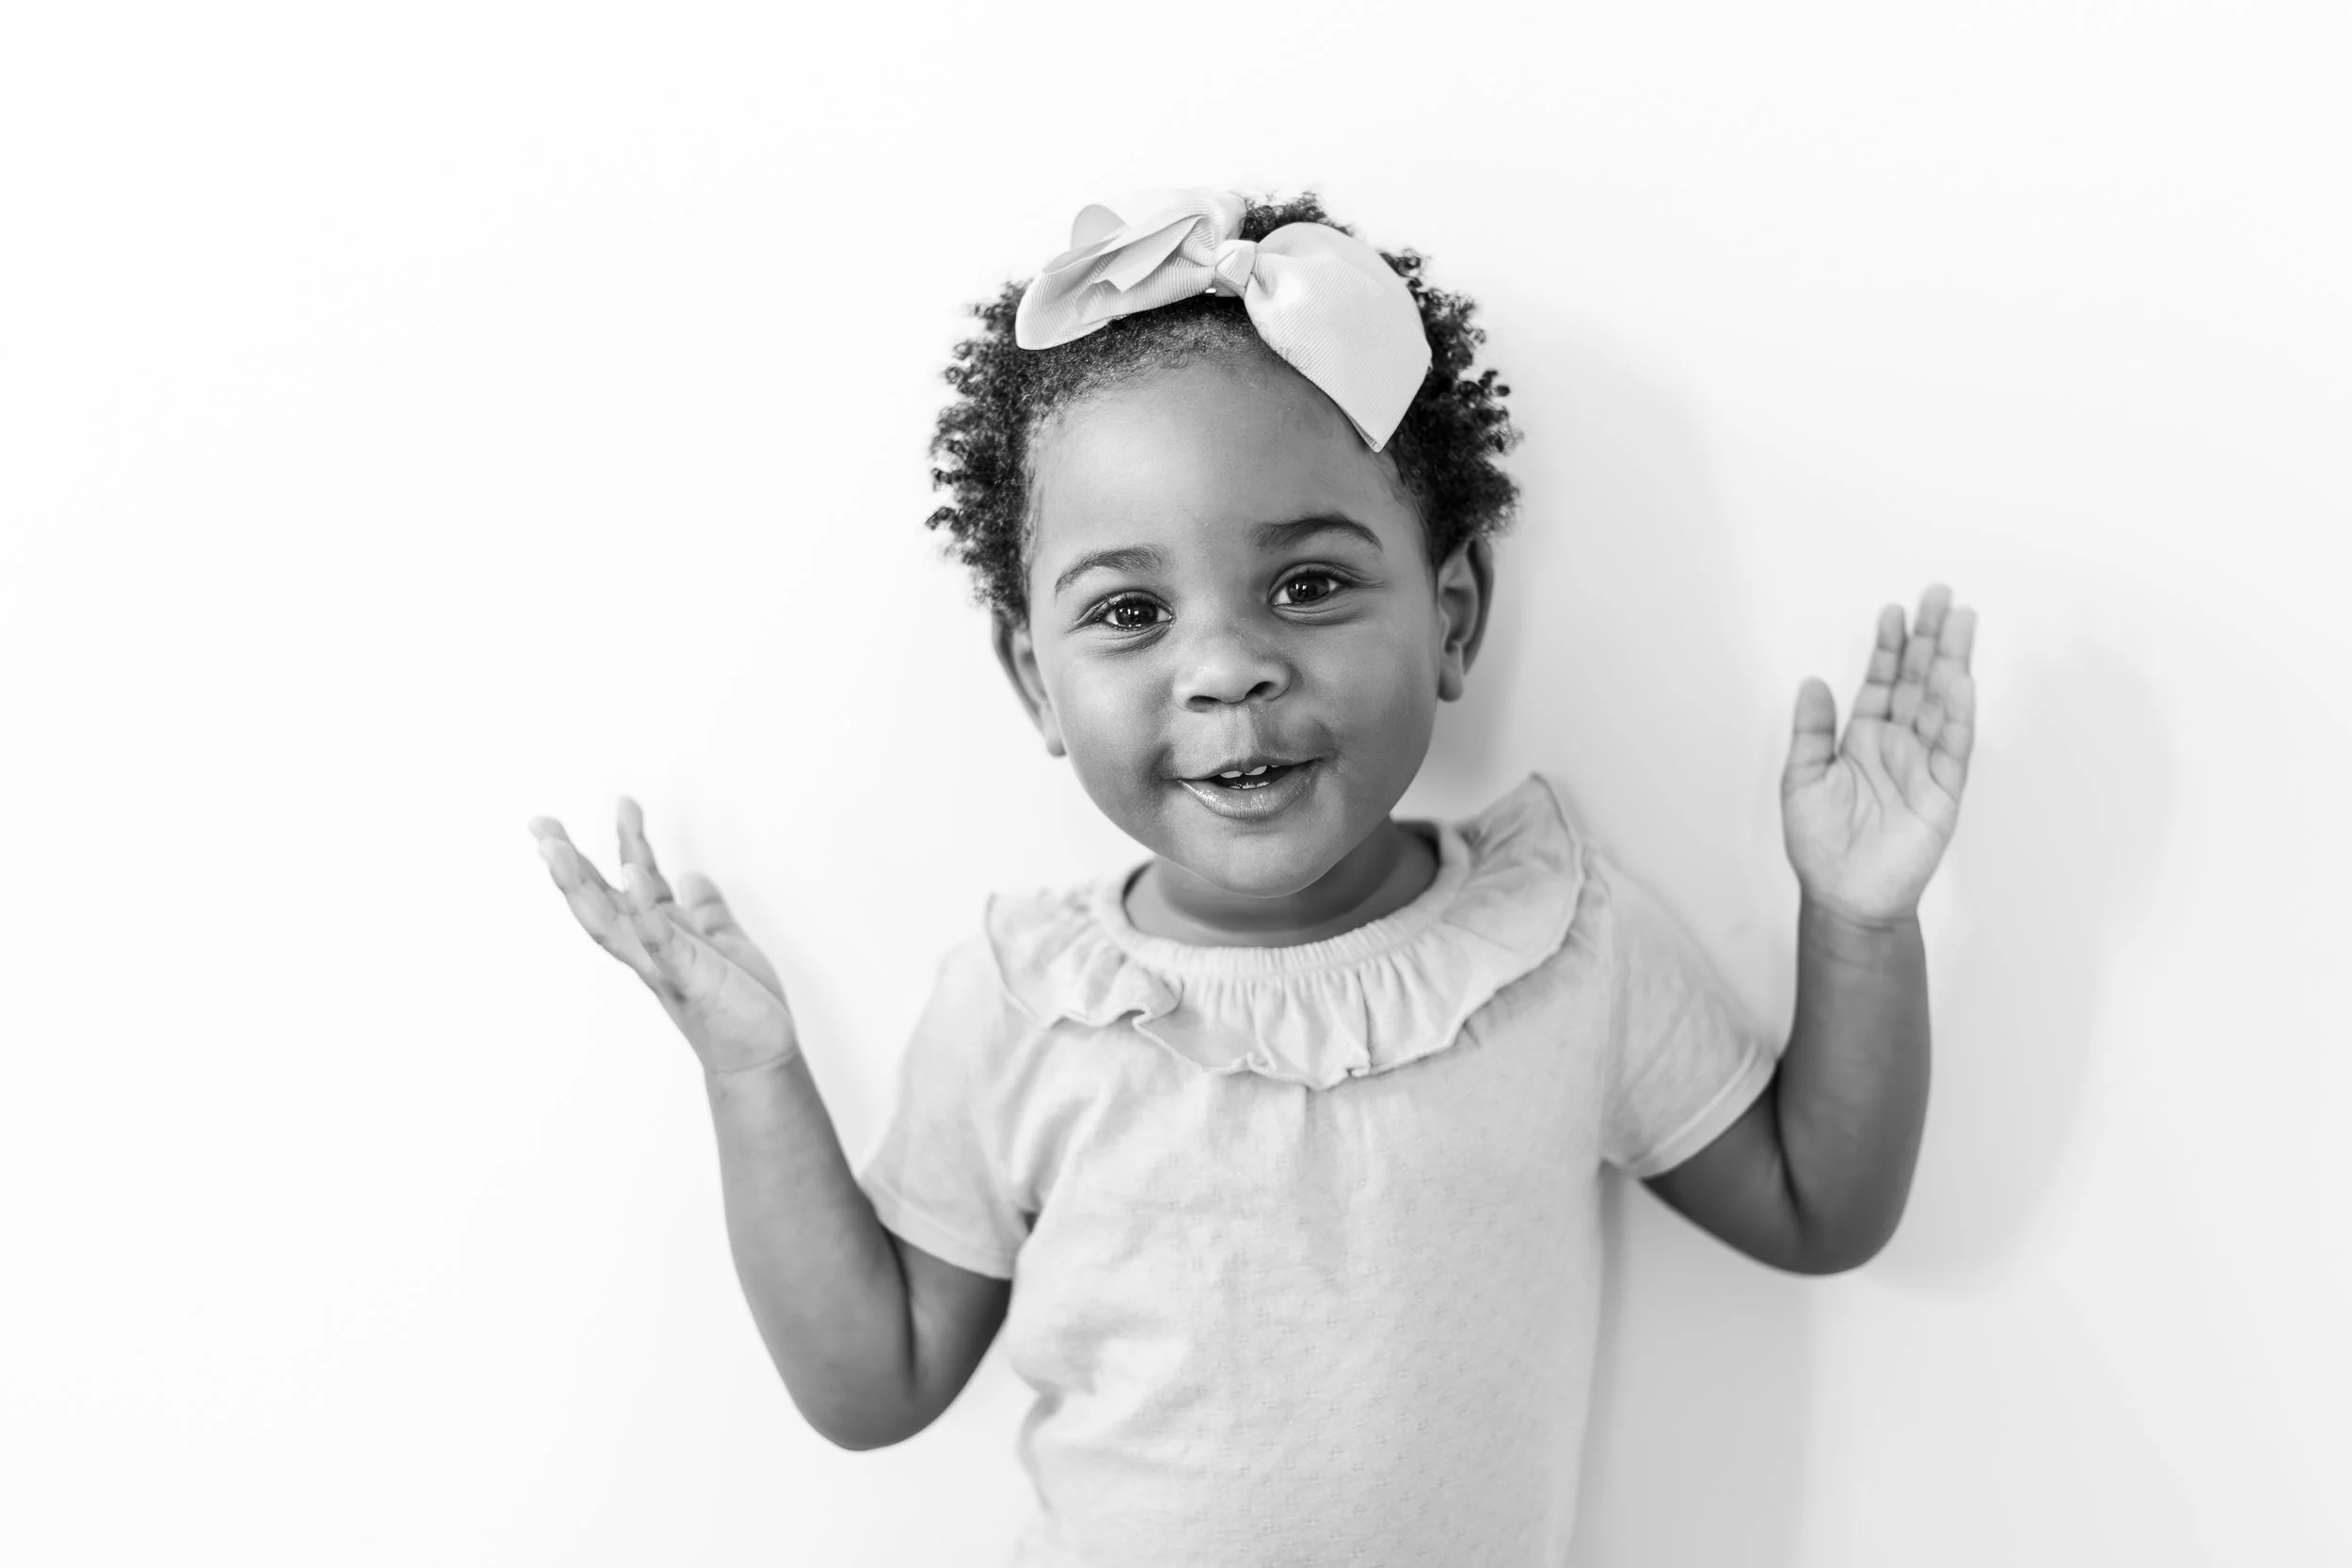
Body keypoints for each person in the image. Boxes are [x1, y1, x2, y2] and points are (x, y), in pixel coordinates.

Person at [529, 186, 1979, 1565]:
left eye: (1307, 583)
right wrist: (755, 1073)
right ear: (1036, 682)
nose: (1226, 668)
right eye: (1131, 611)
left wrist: (1859, 920)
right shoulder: (1029, 1009)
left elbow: (1819, 1205)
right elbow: (873, 1379)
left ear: (1453, 613)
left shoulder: (1561, 942)